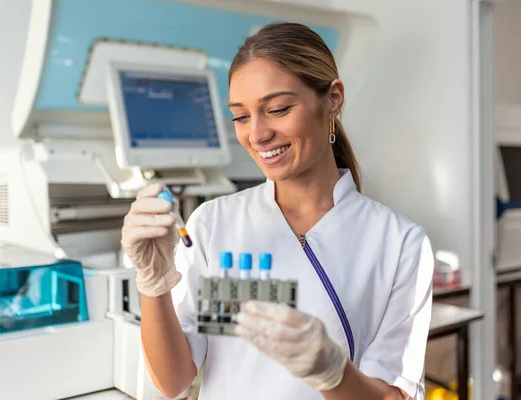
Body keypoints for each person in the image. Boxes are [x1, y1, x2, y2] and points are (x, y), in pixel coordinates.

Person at [121, 21, 434, 400]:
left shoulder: (399, 243)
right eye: (241, 116)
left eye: (278, 109)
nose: (257, 134)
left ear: (332, 99)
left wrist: (332, 373)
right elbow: (173, 382)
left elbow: (391, 396)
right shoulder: (214, 223)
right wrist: (152, 284)